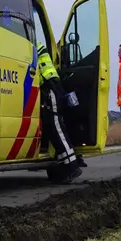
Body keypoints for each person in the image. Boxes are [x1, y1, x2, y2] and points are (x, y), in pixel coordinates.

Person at [36, 41, 83, 183]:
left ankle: (73, 166)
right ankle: (64, 165)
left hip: (50, 88)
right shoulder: (37, 45)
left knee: (57, 128)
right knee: (52, 128)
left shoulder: (33, 46)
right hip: (50, 88)